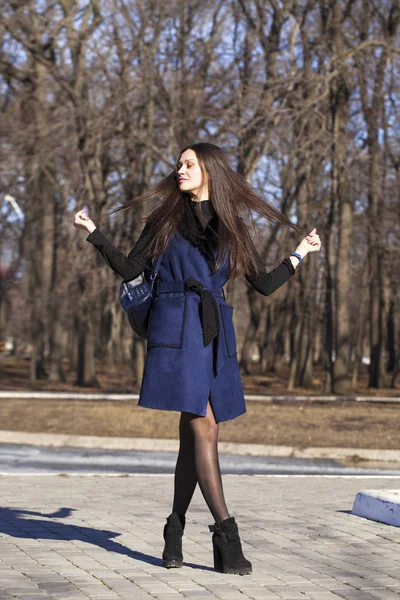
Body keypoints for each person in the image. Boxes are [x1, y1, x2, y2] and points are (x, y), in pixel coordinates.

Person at [73, 142, 321, 575]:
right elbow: (132, 270)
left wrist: (300, 254)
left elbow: (262, 284)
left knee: (198, 436)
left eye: (189, 163)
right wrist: (95, 234)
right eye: (179, 164)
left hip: (215, 330)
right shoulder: (164, 220)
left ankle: (174, 528)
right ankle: (227, 534)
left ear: (209, 170)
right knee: (202, 424)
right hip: (175, 327)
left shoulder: (233, 227)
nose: (180, 169)